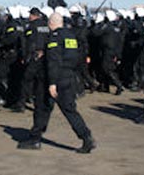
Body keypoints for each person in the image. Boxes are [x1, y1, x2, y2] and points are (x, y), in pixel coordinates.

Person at [18, 13, 96, 153]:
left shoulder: (55, 37)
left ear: (51, 23)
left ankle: (35, 139)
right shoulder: (70, 36)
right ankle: (86, 136)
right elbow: (75, 57)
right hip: (68, 77)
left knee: (42, 108)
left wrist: (52, 83)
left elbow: (54, 61)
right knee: (70, 110)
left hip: (53, 79)